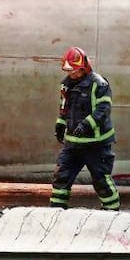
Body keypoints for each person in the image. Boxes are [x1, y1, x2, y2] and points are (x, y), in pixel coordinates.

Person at [50, 46, 120, 211]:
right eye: (69, 71)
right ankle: (55, 213)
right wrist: (60, 123)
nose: (72, 74)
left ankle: (112, 212)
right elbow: (64, 107)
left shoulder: (98, 84)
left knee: (101, 179)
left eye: (75, 70)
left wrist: (87, 124)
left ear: (84, 67)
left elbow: (103, 109)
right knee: (61, 176)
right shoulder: (66, 85)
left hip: (96, 144)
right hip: (73, 144)